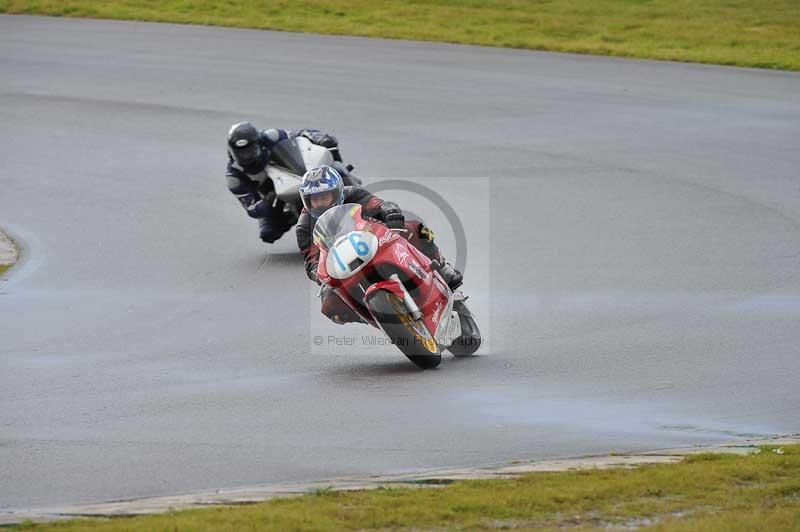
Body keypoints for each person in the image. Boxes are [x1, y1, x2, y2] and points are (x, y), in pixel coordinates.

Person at [296, 165, 463, 324]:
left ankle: (442, 267)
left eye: (324, 197)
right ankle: (372, 317)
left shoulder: (353, 194)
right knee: (329, 306)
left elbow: (380, 205)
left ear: (337, 192)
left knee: (415, 228)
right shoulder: (304, 226)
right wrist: (317, 273)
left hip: (370, 239)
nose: (319, 204)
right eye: (314, 199)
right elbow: (311, 260)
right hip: (343, 264)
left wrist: (390, 211)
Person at [226, 122, 344, 243]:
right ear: (232, 152)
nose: (247, 157)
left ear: (259, 144)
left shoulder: (271, 136)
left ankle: (350, 188)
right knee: (268, 233)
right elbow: (251, 208)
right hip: (273, 199)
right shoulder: (234, 177)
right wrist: (268, 201)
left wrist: (321, 139)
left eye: (251, 151)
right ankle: (297, 220)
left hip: (295, 173)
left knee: (335, 160)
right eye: (242, 153)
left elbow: (302, 133)